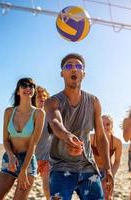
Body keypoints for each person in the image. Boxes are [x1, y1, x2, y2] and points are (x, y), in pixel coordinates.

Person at [45, 53, 113, 200]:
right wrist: (67, 136)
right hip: (61, 167)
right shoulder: (52, 102)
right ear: (62, 73)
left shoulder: (93, 101)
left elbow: (101, 136)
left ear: (84, 73)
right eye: (68, 66)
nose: (74, 69)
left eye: (78, 66)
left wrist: (107, 168)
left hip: (88, 166)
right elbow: (55, 123)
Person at [0, 78, 45, 200]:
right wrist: (10, 155)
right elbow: (5, 139)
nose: (28, 88)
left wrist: (24, 169)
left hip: (28, 161)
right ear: (18, 91)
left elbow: (33, 145)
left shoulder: (39, 114)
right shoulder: (9, 112)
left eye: (31, 86)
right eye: (24, 85)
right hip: (9, 159)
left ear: (33, 91)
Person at [91, 115, 122, 200]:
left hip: (108, 170)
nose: (104, 126)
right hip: (93, 170)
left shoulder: (117, 142)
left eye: (108, 124)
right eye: (101, 124)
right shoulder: (91, 138)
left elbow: (117, 161)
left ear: (112, 126)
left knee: (107, 196)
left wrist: (111, 174)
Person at [35, 86, 52, 200]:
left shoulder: (52, 116)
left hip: (47, 158)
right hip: (31, 158)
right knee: (24, 186)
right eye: (39, 96)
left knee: (47, 189)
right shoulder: (30, 115)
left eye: (45, 96)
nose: (42, 98)